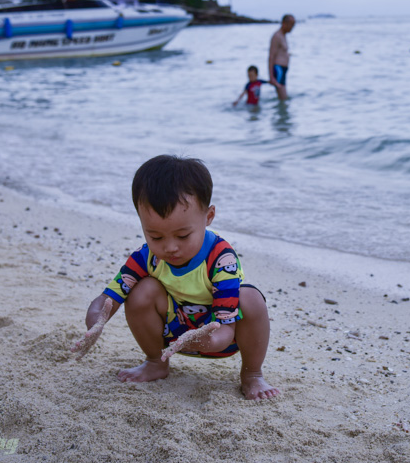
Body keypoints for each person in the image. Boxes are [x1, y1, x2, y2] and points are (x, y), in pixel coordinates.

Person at [70, 155, 280, 401]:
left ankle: (252, 375)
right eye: (156, 237)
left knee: (251, 298)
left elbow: (225, 330)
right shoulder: (146, 257)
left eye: (182, 236)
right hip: (171, 334)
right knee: (140, 290)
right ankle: (154, 362)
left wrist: (205, 340)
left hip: (218, 334)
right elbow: (108, 298)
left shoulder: (221, 257)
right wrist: (97, 321)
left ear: (208, 216)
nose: (169, 248)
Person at [268, 14, 296, 101]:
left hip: (283, 69)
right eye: (291, 24)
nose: (292, 27)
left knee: (283, 98)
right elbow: (271, 56)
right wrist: (271, 77)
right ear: (284, 23)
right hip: (278, 70)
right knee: (283, 98)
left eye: (293, 25)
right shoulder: (277, 36)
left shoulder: (283, 35)